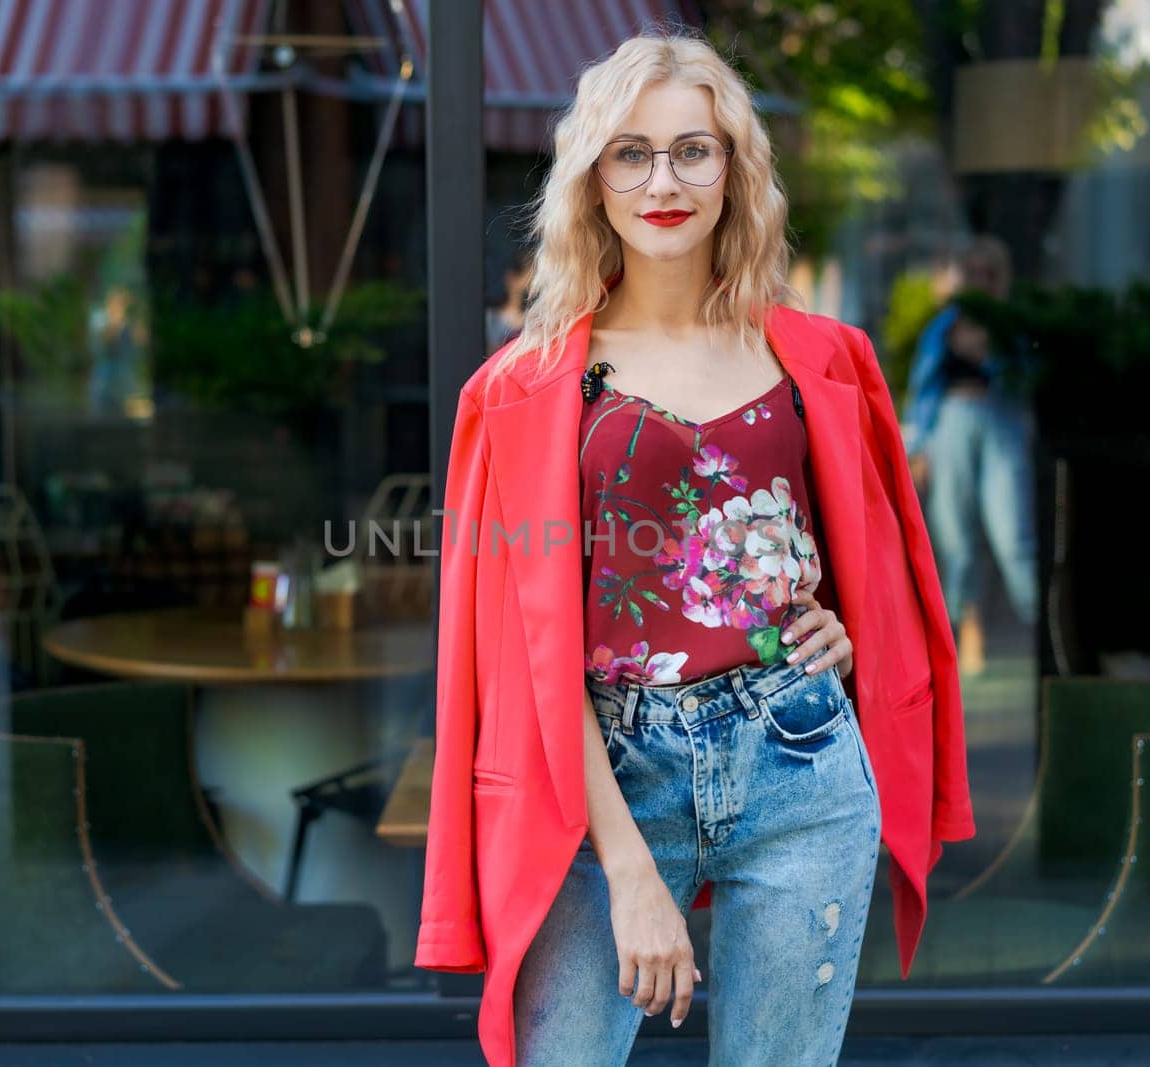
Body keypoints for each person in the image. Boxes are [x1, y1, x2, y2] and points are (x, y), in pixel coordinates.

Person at [416, 30, 975, 1067]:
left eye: (692, 150)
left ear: (733, 171)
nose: (662, 180)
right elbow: (522, 652)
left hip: (800, 762)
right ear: (592, 180)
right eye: (630, 153)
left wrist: (840, 628)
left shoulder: (822, 358)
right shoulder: (523, 390)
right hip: (599, 779)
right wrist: (628, 869)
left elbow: (873, 556)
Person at [902, 237, 1039, 676]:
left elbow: (1029, 380)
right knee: (954, 539)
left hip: (1000, 423)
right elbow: (923, 392)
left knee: (1012, 534)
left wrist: (994, 351)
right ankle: (966, 633)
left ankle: (1040, 629)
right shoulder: (943, 326)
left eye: (989, 272)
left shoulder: (1012, 326)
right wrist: (917, 447)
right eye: (973, 271)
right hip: (951, 424)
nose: (980, 280)